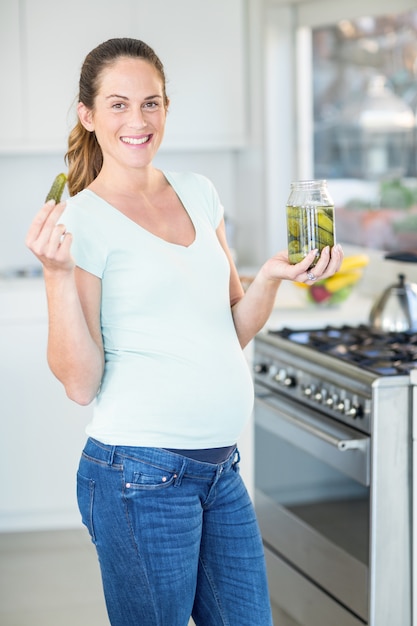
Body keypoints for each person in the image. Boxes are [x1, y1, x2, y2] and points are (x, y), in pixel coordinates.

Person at [25, 38, 343, 626]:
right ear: (88, 115)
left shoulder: (199, 192)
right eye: (118, 104)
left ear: (167, 108)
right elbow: (79, 382)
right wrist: (55, 275)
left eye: (152, 103)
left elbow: (231, 329)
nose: (138, 120)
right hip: (138, 477)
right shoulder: (82, 219)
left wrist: (272, 275)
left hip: (220, 471)